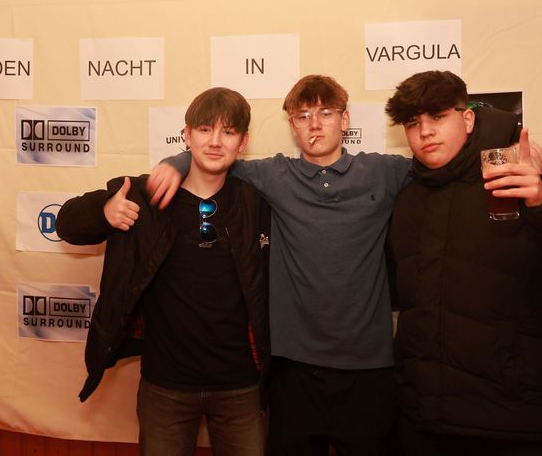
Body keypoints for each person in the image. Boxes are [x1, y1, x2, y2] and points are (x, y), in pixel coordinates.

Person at [147, 75, 411, 455]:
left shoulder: (383, 172)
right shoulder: (274, 175)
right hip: (292, 368)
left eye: (325, 113)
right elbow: (214, 159)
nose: (315, 124)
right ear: (292, 126)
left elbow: (443, 164)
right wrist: (177, 160)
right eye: (303, 116)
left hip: (369, 368)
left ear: (345, 119)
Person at [384, 70, 542, 455]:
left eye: (437, 117)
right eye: (413, 123)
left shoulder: (521, 182)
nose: (425, 131)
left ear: (467, 119)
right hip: (425, 422)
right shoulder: (407, 199)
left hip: (515, 424)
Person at [56, 87, 271, 456]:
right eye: (205, 129)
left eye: (228, 132)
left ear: (243, 142)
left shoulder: (255, 202)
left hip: (241, 387)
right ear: (186, 135)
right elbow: (66, 224)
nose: (215, 141)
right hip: (165, 386)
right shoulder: (144, 194)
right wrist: (104, 211)